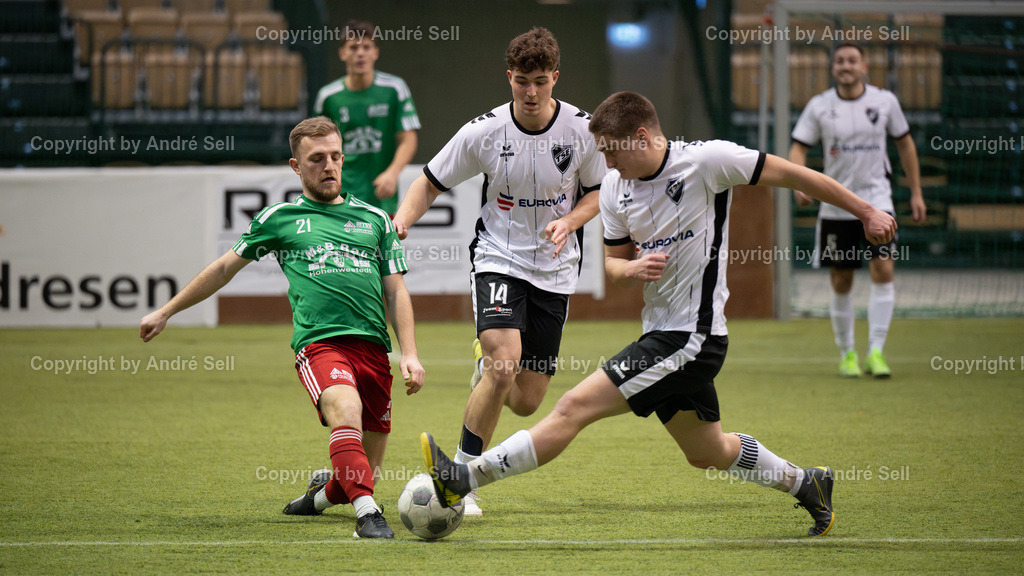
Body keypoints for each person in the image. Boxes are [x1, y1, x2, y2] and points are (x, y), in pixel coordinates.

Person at [421, 91, 898, 537]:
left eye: (612, 151)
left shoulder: (707, 162)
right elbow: (611, 263)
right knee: (707, 450)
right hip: (663, 332)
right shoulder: (613, 188)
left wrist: (865, 211)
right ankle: (806, 483)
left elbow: (794, 174)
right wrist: (630, 268)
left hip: (693, 337)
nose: (605, 163)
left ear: (644, 138)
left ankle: (463, 477)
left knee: (572, 407)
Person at [139, 117, 424, 539]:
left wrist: (411, 353)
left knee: (357, 475)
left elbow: (397, 291)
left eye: (334, 157)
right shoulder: (281, 218)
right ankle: (369, 517)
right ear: (296, 166)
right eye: (316, 159)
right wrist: (166, 310)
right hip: (320, 346)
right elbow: (222, 269)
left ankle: (320, 497)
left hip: (374, 352)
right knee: (345, 413)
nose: (328, 166)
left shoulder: (375, 221)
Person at [393, 27, 606, 517]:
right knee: (503, 363)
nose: (531, 93)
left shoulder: (581, 130)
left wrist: (571, 220)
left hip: (555, 269)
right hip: (499, 257)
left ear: (556, 77)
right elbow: (429, 182)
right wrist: (402, 222)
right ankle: (460, 482)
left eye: (540, 81)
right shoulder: (483, 132)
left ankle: (488, 368)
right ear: (508, 77)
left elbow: (599, 191)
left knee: (527, 400)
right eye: (521, 82)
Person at [789, 42, 926, 378]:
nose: (845, 66)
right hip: (836, 209)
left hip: (878, 203)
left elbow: (905, 144)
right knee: (841, 279)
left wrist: (916, 192)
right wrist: (798, 184)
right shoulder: (819, 106)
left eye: (852, 60)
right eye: (839, 61)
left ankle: (875, 352)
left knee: (883, 271)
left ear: (865, 67)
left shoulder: (885, 101)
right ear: (833, 69)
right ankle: (847, 353)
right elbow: (797, 149)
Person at [314, 19, 420, 215]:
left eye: (366, 47)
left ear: (375, 53)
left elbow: (408, 138)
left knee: (383, 245)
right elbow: (316, 146)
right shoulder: (328, 97)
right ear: (342, 53)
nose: (360, 53)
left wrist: (393, 173)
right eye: (353, 47)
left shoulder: (394, 89)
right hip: (340, 193)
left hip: (381, 193)